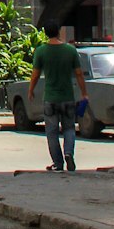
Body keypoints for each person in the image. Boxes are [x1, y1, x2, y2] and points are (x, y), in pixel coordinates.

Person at [28, 22, 87, 173]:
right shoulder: (70, 50)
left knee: (52, 132)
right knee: (69, 128)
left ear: (45, 33)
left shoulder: (41, 51)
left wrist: (31, 90)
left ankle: (57, 163)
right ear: (59, 31)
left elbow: (35, 74)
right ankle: (69, 153)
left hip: (51, 98)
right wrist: (84, 92)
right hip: (67, 96)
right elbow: (79, 73)